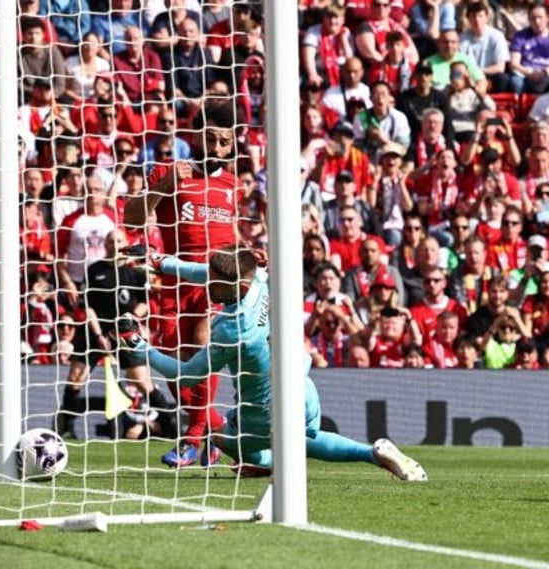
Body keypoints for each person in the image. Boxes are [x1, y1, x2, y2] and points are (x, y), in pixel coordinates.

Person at [117, 246, 427, 481]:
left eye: (215, 282)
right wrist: (159, 261)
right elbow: (205, 272)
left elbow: (186, 376)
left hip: (263, 411)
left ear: (236, 286)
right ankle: (371, 452)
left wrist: (142, 347)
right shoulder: (260, 280)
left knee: (229, 440)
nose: (207, 285)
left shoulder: (232, 330)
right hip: (303, 387)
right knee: (305, 440)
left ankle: (261, 459)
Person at [123, 99, 241, 468]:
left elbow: (231, 234)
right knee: (175, 365)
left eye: (225, 142)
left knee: (205, 345)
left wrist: (246, 255)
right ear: (195, 137)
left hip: (215, 282)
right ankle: (216, 429)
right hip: (174, 281)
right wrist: (163, 186)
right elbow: (132, 217)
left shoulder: (230, 182)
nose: (219, 149)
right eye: (212, 139)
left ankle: (191, 439)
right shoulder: (169, 170)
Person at [55, 228, 176, 439]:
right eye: (110, 240)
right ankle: (66, 427)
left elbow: (144, 305)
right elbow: (88, 307)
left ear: (126, 243)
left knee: (140, 380)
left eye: (118, 240)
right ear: (105, 244)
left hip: (124, 332)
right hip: (95, 332)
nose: (114, 244)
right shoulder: (94, 270)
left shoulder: (136, 272)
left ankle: (169, 424)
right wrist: (99, 336)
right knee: (76, 377)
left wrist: (130, 318)